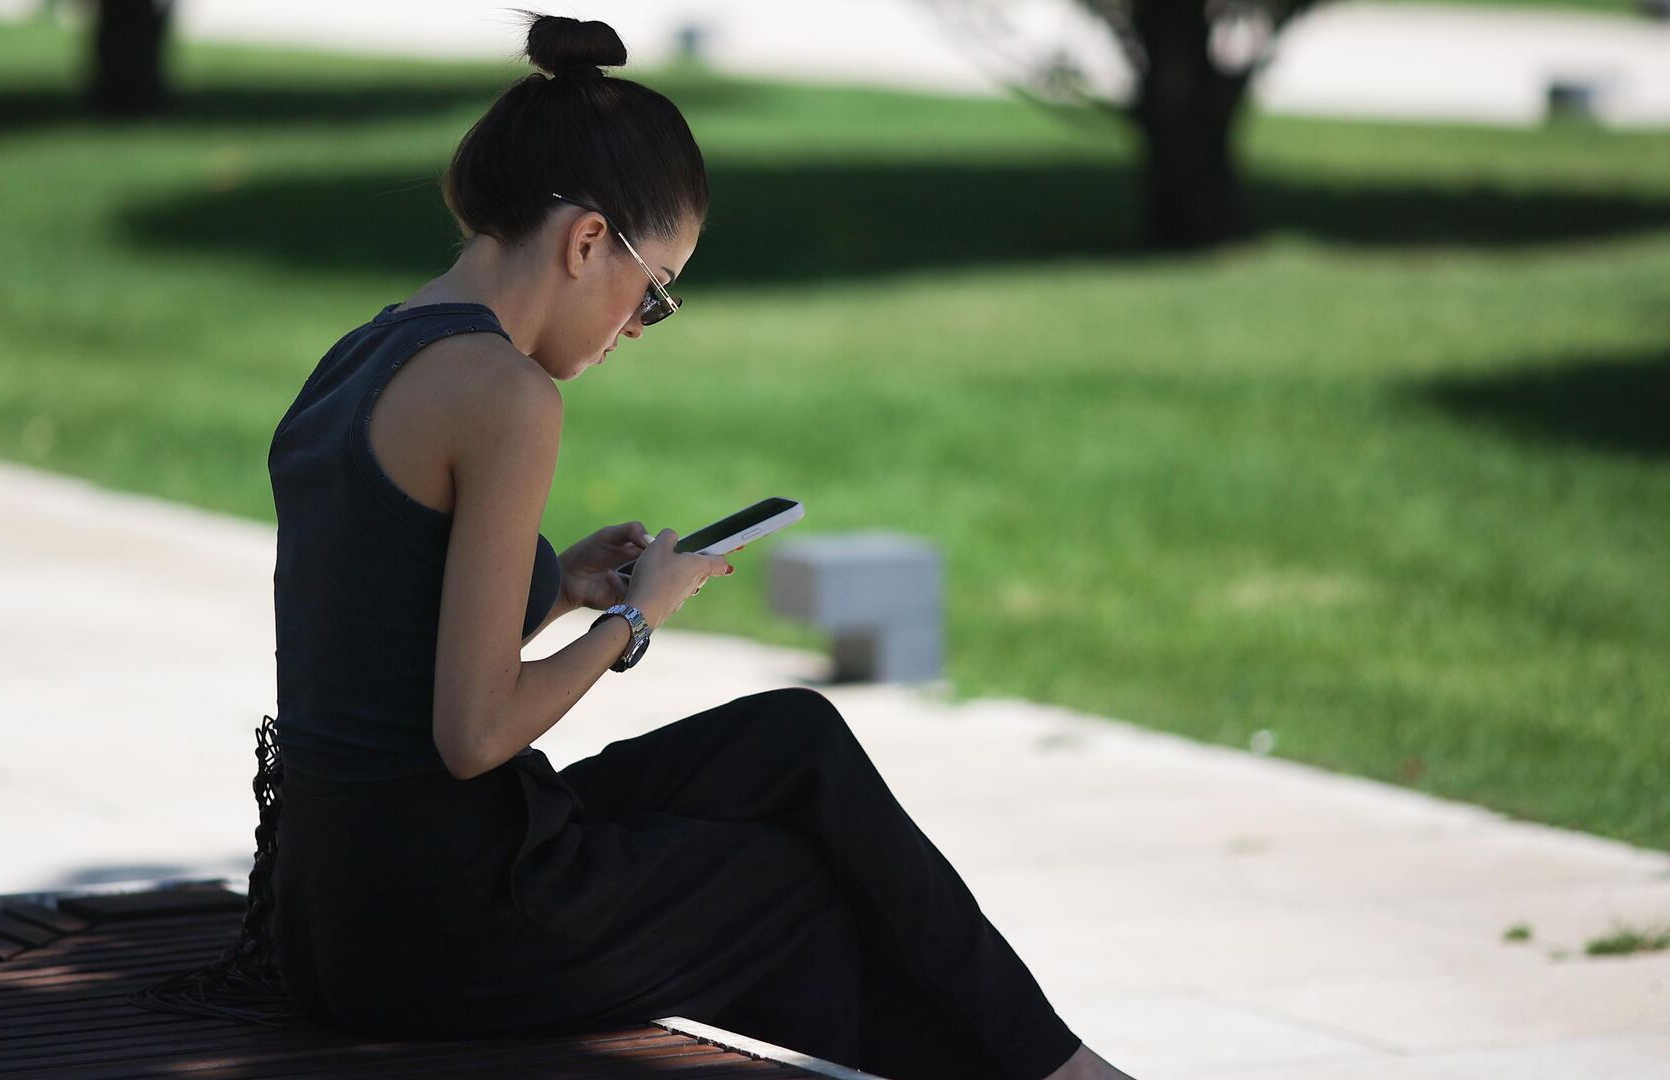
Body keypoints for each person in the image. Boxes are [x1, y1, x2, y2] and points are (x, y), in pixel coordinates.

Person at [164, 12, 1138, 1080]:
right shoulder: (506, 393)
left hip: (336, 904)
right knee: (788, 893)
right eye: (656, 291)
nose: (638, 326)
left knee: (793, 742)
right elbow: (473, 731)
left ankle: (1059, 1067)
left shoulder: (363, 355)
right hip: (438, 928)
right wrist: (638, 618)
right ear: (588, 242)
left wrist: (560, 588)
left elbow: (374, 632)